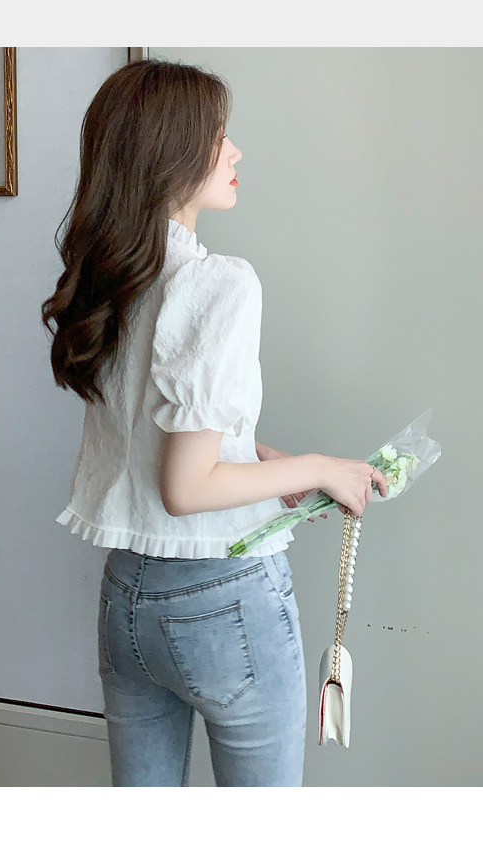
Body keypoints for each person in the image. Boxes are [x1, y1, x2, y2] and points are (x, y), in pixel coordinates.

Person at [41, 58, 388, 787]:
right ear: (168, 150)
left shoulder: (112, 277)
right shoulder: (219, 282)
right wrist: (322, 468)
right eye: (217, 135)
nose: (235, 152)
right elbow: (187, 488)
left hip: (127, 598)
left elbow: (159, 432)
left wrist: (262, 461)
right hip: (224, 598)